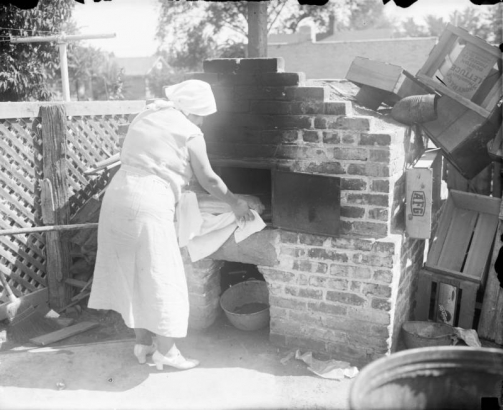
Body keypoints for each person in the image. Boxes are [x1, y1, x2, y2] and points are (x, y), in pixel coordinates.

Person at [88, 80, 255, 371]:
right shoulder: (191, 132)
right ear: (192, 111)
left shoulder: (147, 114)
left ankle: (144, 344)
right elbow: (209, 179)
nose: (203, 120)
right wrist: (235, 202)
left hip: (117, 196)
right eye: (202, 114)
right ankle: (166, 352)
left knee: (133, 274)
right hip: (148, 202)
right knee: (162, 275)